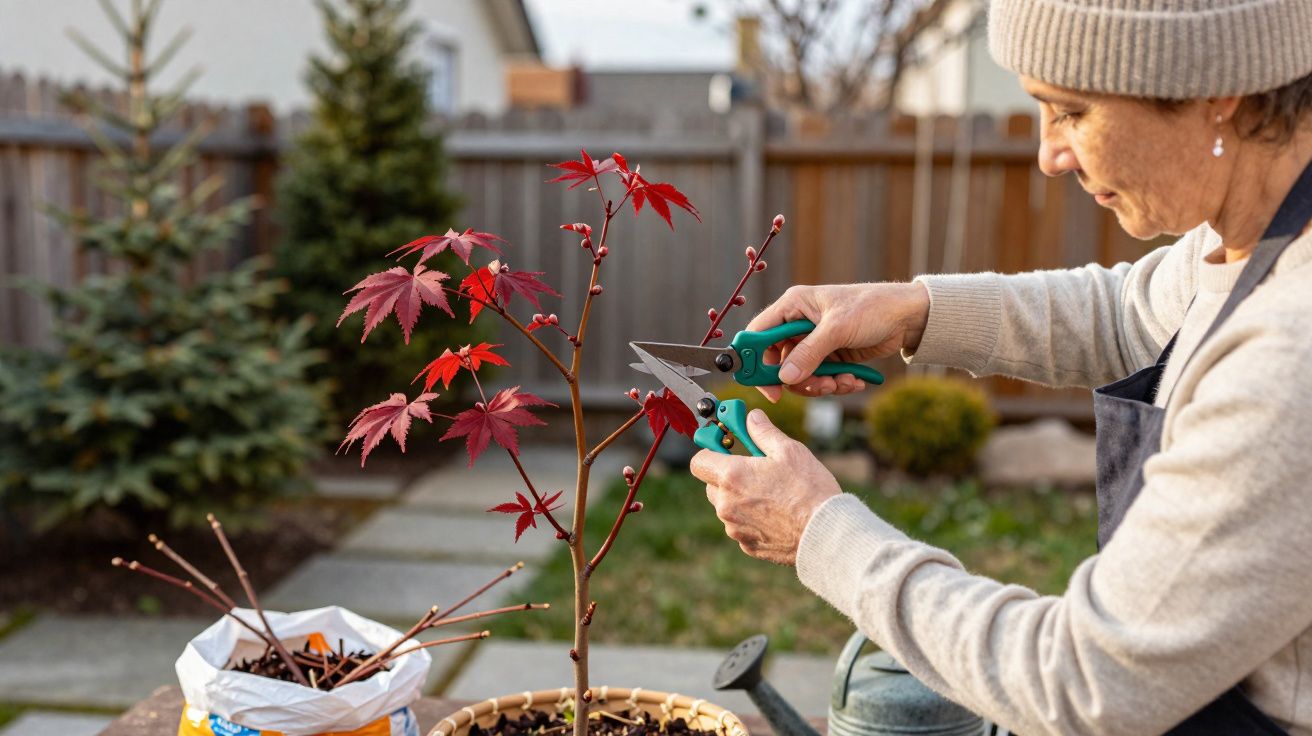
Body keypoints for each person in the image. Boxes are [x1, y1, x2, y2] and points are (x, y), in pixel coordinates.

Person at [689, 1, 1312, 734]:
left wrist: (819, 533)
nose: (1049, 154)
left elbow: (1087, 681)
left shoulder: (1290, 355)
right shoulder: (1246, 242)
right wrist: (914, 311)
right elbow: (1128, 314)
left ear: (1217, 90)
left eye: (1070, 111)